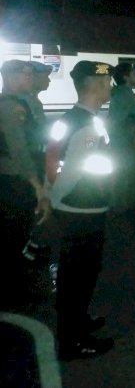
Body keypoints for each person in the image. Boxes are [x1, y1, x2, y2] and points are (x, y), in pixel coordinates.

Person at [45, 60, 116, 360]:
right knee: (79, 277)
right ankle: (73, 341)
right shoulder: (87, 125)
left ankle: (78, 321)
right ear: (97, 85)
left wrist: (51, 196)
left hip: (75, 208)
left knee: (75, 274)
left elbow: (51, 158)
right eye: (108, 83)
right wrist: (56, 200)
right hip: (82, 210)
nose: (111, 87)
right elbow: (72, 173)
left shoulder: (70, 118)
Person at [0, 59, 52, 310]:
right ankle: (14, 296)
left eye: (32, 74)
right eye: (25, 74)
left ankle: (17, 290)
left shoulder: (20, 103)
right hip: (15, 182)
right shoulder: (10, 107)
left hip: (16, 180)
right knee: (14, 238)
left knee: (18, 235)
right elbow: (19, 150)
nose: (30, 78)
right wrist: (38, 186)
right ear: (9, 77)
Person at [108, 63, 135, 211]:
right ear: (125, 77)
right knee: (123, 174)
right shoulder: (124, 94)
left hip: (122, 142)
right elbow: (121, 120)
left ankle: (119, 205)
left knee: (121, 174)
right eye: (134, 73)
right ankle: (120, 207)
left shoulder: (122, 93)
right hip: (124, 143)